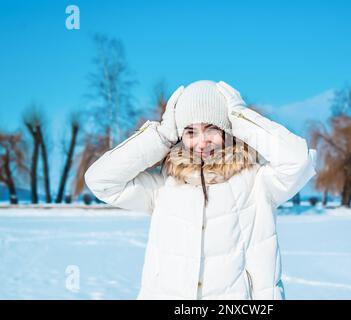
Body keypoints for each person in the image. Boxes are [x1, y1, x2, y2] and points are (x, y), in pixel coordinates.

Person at [84, 80, 317, 300]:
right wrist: (162, 135)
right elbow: (101, 181)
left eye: (212, 128)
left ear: (228, 130)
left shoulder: (258, 182)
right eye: (190, 132)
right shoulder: (164, 186)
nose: (202, 142)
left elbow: (299, 161)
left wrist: (239, 115)